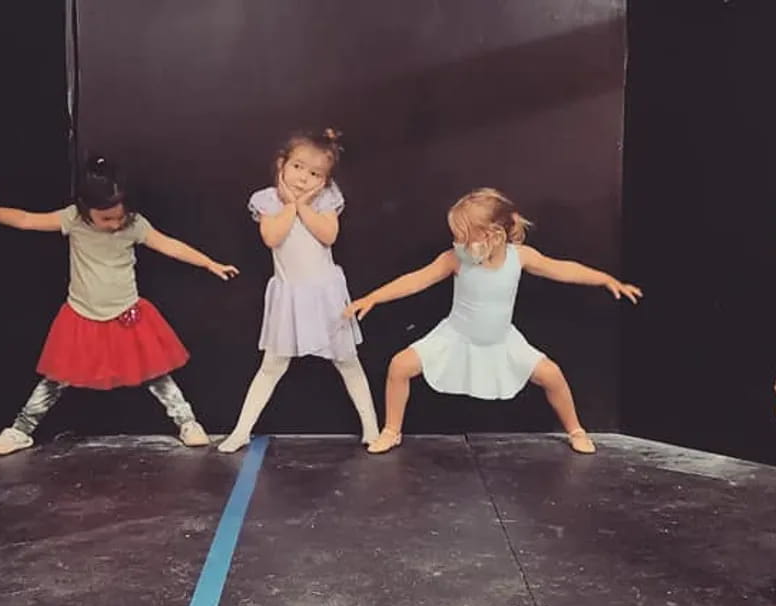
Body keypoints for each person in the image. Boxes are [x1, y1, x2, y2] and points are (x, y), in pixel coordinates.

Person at [0, 156, 238, 456]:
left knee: (155, 372)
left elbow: (170, 245)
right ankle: (20, 430)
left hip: (127, 314)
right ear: (86, 211)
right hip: (82, 316)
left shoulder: (135, 225)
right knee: (56, 379)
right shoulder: (72, 219)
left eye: (119, 218)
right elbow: (25, 219)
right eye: (106, 219)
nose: (115, 225)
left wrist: (209, 263)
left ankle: (187, 422)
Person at [344, 187, 642, 454]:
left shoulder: (520, 257)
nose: (456, 240)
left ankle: (576, 430)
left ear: (494, 233)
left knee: (552, 375)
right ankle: (391, 431)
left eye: (463, 234)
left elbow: (563, 269)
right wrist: (372, 297)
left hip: (502, 340)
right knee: (400, 366)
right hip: (456, 336)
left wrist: (605, 279)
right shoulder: (456, 257)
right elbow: (415, 280)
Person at [218, 130, 378, 453]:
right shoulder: (267, 200)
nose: (304, 178)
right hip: (289, 296)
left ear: (325, 180)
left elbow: (328, 235)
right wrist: (290, 205)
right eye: (298, 167)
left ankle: (372, 428)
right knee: (272, 365)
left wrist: (304, 205)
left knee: (348, 361)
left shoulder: (326, 200)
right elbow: (272, 237)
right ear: (282, 164)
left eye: (315, 173)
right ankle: (241, 430)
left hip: (325, 295)